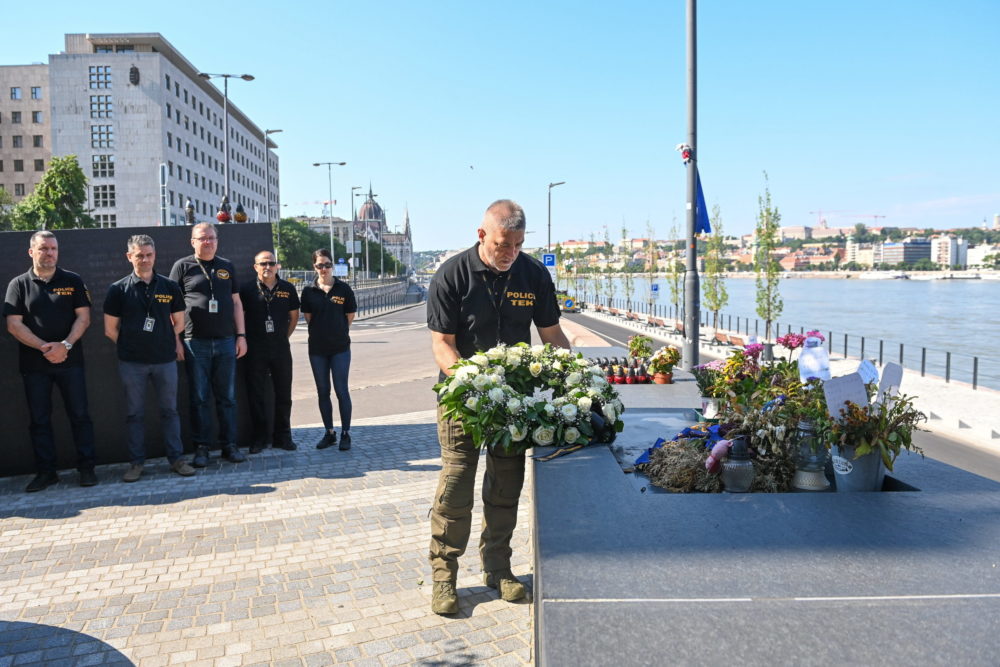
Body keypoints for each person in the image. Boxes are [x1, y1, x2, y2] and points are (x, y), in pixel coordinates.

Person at [425, 199, 571, 615]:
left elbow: (551, 334)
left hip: (516, 402)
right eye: (503, 245)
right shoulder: (451, 274)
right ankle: (444, 575)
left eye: (518, 245)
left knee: (506, 486)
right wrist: (476, 386)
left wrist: (575, 375)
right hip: (463, 399)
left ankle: (498, 568)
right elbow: (443, 346)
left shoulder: (532, 273)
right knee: (456, 487)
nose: (510, 253)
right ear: (482, 235)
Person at [3, 230, 97, 492]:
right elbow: (13, 325)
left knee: (80, 416)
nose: (50, 253)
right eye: (44, 249)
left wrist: (64, 346)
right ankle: (47, 473)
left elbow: (84, 318)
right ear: (31, 252)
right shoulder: (18, 285)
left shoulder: (73, 280)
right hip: (35, 367)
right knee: (39, 420)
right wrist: (45, 347)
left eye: (53, 249)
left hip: (71, 362)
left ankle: (87, 468)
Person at [104, 235, 196, 482]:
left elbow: (178, 323)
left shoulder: (169, 287)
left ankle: (177, 460)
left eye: (148, 255)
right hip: (132, 363)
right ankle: (136, 464)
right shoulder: (117, 289)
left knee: (170, 412)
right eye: (139, 255)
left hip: (165, 360)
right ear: (129, 257)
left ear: (155, 256)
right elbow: (110, 329)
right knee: (135, 414)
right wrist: (132, 345)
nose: (144, 259)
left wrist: (161, 339)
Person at [169, 222, 248, 467]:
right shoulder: (182, 267)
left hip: (225, 342)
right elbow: (171, 307)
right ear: (192, 241)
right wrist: (176, 340)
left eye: (212, 238)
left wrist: (241, 335)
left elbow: (236, 303)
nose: (208, 242)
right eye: (202, 238)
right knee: (199, 398)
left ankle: (229, 446)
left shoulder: (227, 266)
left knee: (228, 398)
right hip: (195, 343)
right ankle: (201, 448)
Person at [239, 250, 300, 453]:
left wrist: (283, 337)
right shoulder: (246, 290)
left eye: (271, 263)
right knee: (256, 394)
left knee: (284, 394)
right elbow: (240, 316)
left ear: (277, 266)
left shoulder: (287, 289)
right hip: (255, 349)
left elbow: (293, 317)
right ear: (255, 267)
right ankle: (259, 437)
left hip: (281, 348)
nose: (268, 267)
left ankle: (283, 436)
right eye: (263, 263)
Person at [300, 249, 357, 451]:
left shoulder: (343, 289)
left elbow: (349, 316)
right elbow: (308, 318)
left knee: (341, 390)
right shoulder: (308, 291)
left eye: (326, 265)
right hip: (317, 349)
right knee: (323, 391)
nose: (323, 269)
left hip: (340, 348)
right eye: (319, 265)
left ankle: (345, 433)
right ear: (314, 267)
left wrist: (337, 331)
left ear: (332, 266)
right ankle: (329, 432)